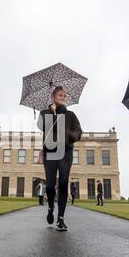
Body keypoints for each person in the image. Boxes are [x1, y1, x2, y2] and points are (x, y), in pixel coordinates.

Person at [37, 86, 83, 231]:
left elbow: (79, 132)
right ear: (53, 97)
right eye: (60, 95)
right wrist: (52, 112)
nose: (63, 97)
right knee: (50, 186)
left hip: (66, 151)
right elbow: (41, 126)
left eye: (64, 96)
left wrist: (71, 136)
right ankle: (50, 207)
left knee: (63, 183)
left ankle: (60, 219)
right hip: (50, 152)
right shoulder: (45, 113)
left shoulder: (71, 115)